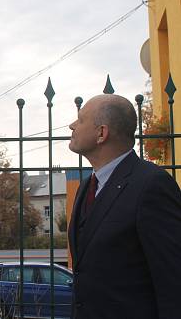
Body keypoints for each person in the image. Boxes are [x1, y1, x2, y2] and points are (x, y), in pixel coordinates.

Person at [67, 94, 181, 319]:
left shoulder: (152, 185)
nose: (72, 125)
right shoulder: (86, 187)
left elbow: (173, 281)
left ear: (102, 133)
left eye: (80, 120)